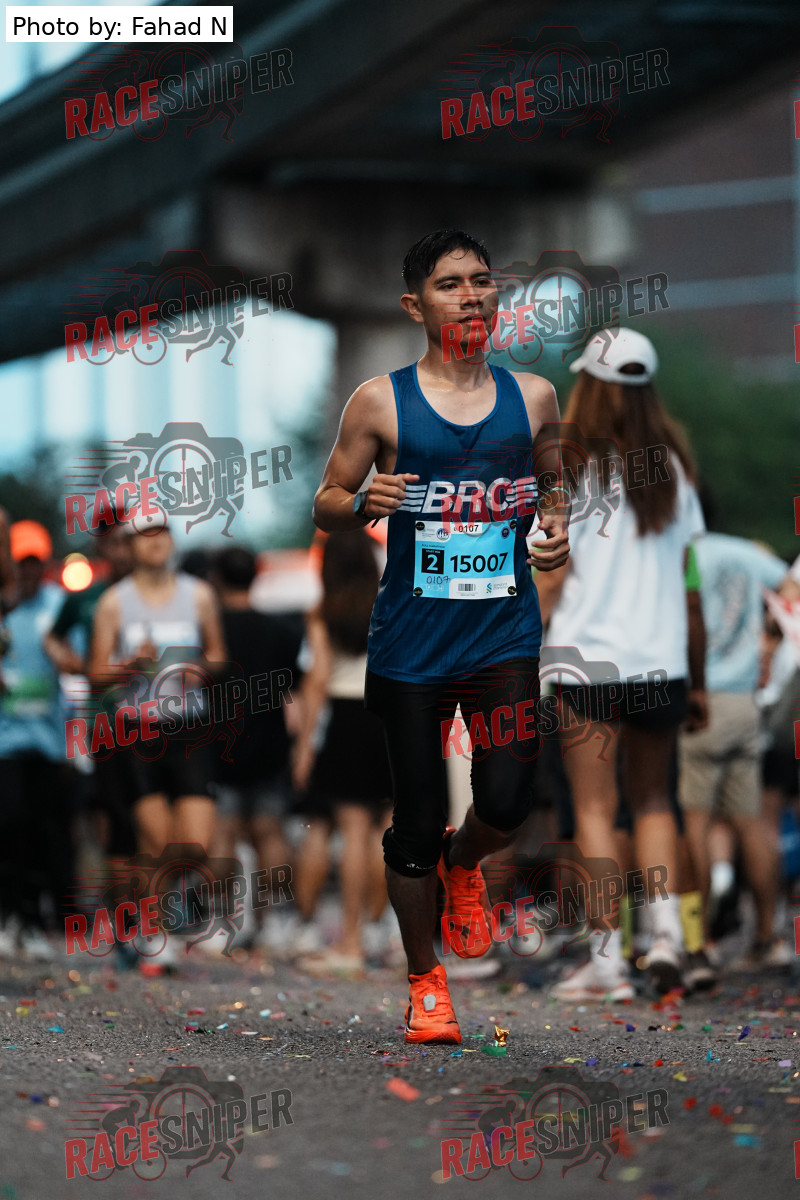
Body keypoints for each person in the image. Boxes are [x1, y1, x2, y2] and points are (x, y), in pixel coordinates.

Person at [312, 229, 569, 1044]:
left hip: (501, 634)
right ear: (414, 305)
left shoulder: (534, 396)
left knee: (508, 801)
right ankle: (426, 982)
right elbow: (326, 499)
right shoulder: (380, 402)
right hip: (412, 646)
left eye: (482, 280)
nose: (471, 296)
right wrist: (363, 502)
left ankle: (467, 866)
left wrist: (555, 527)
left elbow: (554, 483)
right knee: (417, 824)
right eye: (451, 284)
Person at [536, 328, 706, 999]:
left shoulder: (570, 468)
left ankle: (607, 963)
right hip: (661, 660)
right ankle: (667, 940)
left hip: (586, 662)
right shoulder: (674, 470)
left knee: (595, 810)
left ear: (589, 383)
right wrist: (697, 674)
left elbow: (551, 575)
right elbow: (689, 582)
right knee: (656, 800)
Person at [88, 516, 227, 975]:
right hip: (137, 731)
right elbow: (95, 673)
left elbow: (219, 656)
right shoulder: (114, 602)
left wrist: (200, 669)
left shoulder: (199, 595)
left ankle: (167, 908)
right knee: (154, 840)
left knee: (195, 844)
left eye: (163, 532)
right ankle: (154, 931)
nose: (156, 542)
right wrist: (130, 665)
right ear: (129, 545)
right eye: (145, 535)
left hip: (189, 727)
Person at [679, 492, 790, 973]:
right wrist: (769, 642)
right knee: (751, 820)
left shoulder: (680, 557)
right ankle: (768, 937)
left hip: (699, 702)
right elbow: (791, 589)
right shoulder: (745, 553)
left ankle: (698, 944)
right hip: (746, 702)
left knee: (694, 823)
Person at [290, 529, 394, 974]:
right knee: (387, 831)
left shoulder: (323, 610)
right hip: (389, 715)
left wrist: (304, 747)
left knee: (351, 832)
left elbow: (316, 680)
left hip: (347, 720)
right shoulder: (390, 602)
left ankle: (350, 941)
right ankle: (383, 931)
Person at [208, 544, 301, 951]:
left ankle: (220, 921)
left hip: (217, 743)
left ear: (216, 578)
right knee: (271, 832)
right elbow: (294, 693)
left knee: (221, 833)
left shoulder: (209, 631)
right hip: (269, 742)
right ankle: (275, 920)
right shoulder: (280, 630)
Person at [0, 521, 71, 960]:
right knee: (9, 826)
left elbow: (80, 662)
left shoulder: (58, 605)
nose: (27, 570)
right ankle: (9, 915)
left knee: (45, 832)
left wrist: (61, 654)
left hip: (49, 741)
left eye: (34, 562)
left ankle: (33, 920)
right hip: (4, 740)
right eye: (19, 561)